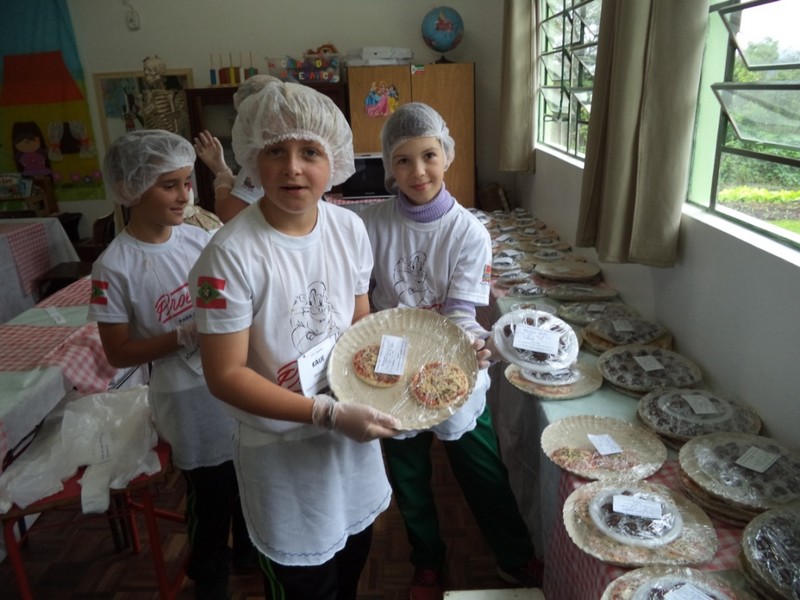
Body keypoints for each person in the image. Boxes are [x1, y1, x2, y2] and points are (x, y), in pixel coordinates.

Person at [188, 79, 400, 600]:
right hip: (282, 458)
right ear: (252, 161)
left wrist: (403, 374)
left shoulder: (349, 229)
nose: (292, 167)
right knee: (306, 586)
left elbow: (359, 328)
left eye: (310, 151)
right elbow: (225, 375)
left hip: (350, 448)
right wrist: (326, 413)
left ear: (336, 161)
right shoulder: (229, 255)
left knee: (351, 565)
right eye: (275, 151)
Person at [360, 102, 543, 600]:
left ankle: (512, 553)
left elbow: (462, 310)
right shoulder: (370, 225)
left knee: (481, 467)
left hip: (452, 367)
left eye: (428, 155)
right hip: (391, 370)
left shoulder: (469, 232)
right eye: (402, 160)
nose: (417, 171)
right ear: (387, 166)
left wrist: (472, 345)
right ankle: (426, 559)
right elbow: (363, 300)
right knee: (409, 474)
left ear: (447, 155)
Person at [88, 129, 253, 600]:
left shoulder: (197, 241)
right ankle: (209, 572)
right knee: (210, 489)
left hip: (229, 379)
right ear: (133, 189)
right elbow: (117, 351)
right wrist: (180, 336)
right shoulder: (114, 267)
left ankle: (245, 552)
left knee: (243, 473)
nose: (186, 195)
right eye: (171, 185)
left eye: (187, 182)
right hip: (185, 397)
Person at [192, 75, 277, 222]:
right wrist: (220, 167)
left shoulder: (263, 154)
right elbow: (252, 194)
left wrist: (222, 185)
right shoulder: (270, 146)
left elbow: (229, 213)